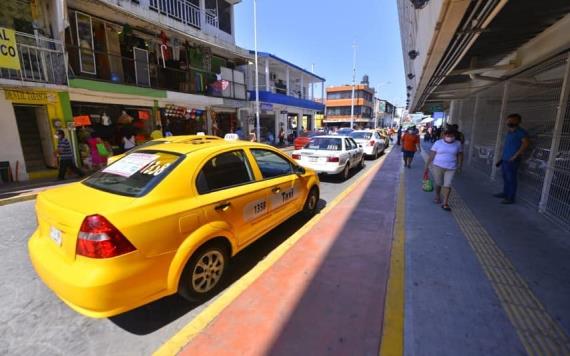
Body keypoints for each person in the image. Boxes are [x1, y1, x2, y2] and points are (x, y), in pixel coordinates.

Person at [493, 113, 529, 204]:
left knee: (511, 178)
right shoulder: (509, 132)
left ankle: (510, 197)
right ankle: (505, 193)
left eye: (512, 120)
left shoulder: (521, 132)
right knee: (505, 177)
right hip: (505, 159)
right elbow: (508, 146)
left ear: (518, 121)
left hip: (513, 160)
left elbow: (525, 144)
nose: (509, 122)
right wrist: (502, 158)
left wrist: (515, 156)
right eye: (508, 120)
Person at [424, 129, 463, 211]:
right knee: (438, 183)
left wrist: (460, 166)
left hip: (451, 167)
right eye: (448, 136)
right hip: (438, 166)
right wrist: (427, 165)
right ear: (444, 135)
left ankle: (445, 203)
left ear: (454, 136)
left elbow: (460, 155)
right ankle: (437, 195)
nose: (449, 137)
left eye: (451, 136)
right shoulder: (438, 143)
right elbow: (432, 155)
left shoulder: (458, 144)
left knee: (447, 185)